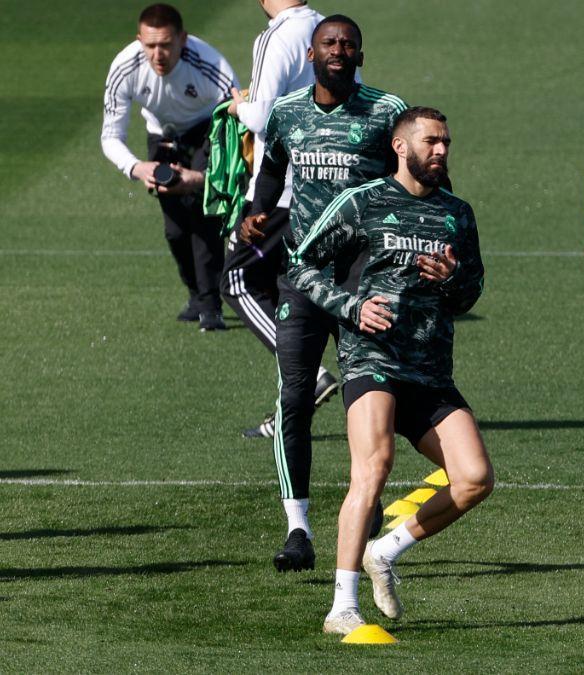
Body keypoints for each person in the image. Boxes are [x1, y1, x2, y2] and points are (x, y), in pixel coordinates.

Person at [287, 107, 491, 635]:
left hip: (430, 369)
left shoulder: (457, 213)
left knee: (474, 479)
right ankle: (342, 605)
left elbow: (470, 293)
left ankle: (386, 550)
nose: (442, 151)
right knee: (373, 467)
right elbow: (301, 266)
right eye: (432, 142)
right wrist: (352, 307)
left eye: (446, 142)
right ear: (401, 147)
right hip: (371, 359)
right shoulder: (363, 201)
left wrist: (451, 279)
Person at [244, 14, 406, 572]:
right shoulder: (287, 114)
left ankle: (367, 499)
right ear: (311, 55)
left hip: (366, 278)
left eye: (348, 44)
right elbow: (271, 171)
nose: (338, 50)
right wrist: (255, 213)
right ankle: (298, 528)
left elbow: (426, 185)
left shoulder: (387, 113)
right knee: (293, 397)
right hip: (303, 275)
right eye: (328, 43)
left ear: (361, 56)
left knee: (366, 399)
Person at [221, 0, 333, 439]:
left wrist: (236, 106)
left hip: (281, 191)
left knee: (238, 281)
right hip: (330, 188)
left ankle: (313, 380)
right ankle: (295, 405)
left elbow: (262, 117)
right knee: (304, 296)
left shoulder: (276, 34)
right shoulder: (330, 27)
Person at [101, 3, 238, 331]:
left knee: (204, 216)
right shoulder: (125, 66)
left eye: (166, 44)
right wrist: (138, 168)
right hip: (161, 135)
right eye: (150, 45)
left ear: (183, 39)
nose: (158, 54)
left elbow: (237, 118)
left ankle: (211, 304)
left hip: (209, 129)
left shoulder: (209, 65)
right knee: (175, 228)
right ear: (139, 40)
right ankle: (195, 295)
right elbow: (110, 136)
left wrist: (205, 176)